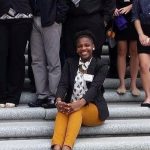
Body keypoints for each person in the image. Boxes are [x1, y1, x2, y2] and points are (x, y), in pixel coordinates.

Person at [51, 30, 109, 150]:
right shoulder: (70, 62)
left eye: (87, 45)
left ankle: (67, 147)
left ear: (93, 47)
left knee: (76, 110)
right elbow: (63, 84)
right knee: (63, 110)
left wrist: (80, 103)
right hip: (72, 105)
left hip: (93, 108)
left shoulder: (101, 65)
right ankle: (56, 146)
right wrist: (59, 100)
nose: (83, 48)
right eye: (80, 46)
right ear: (77, 49)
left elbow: (95, 88)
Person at [28, 0, 68, 108]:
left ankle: (54, 96)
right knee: (36, 60)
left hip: (51, 20)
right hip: (33, 19)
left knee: (53, 61)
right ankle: (42, 95)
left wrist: (58, 18)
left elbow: (63, 3)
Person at [0, 0, 33, 108]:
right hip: (1, 16)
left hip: (22, 16)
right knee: (2, 55)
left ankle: (13, 96)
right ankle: (2, 95)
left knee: (16, 57)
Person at [114, 0, 140, 96]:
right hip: (120, 16)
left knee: (135, 51)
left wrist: (132, 6)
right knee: (121, 50)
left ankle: (133, 84)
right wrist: (113, 8)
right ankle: (122, 83)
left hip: (135, 16)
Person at [132, 0, 150, 107]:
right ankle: (148, 97)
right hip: (143, 32)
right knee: (143, 66)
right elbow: (135, 16)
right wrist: (141, 34)